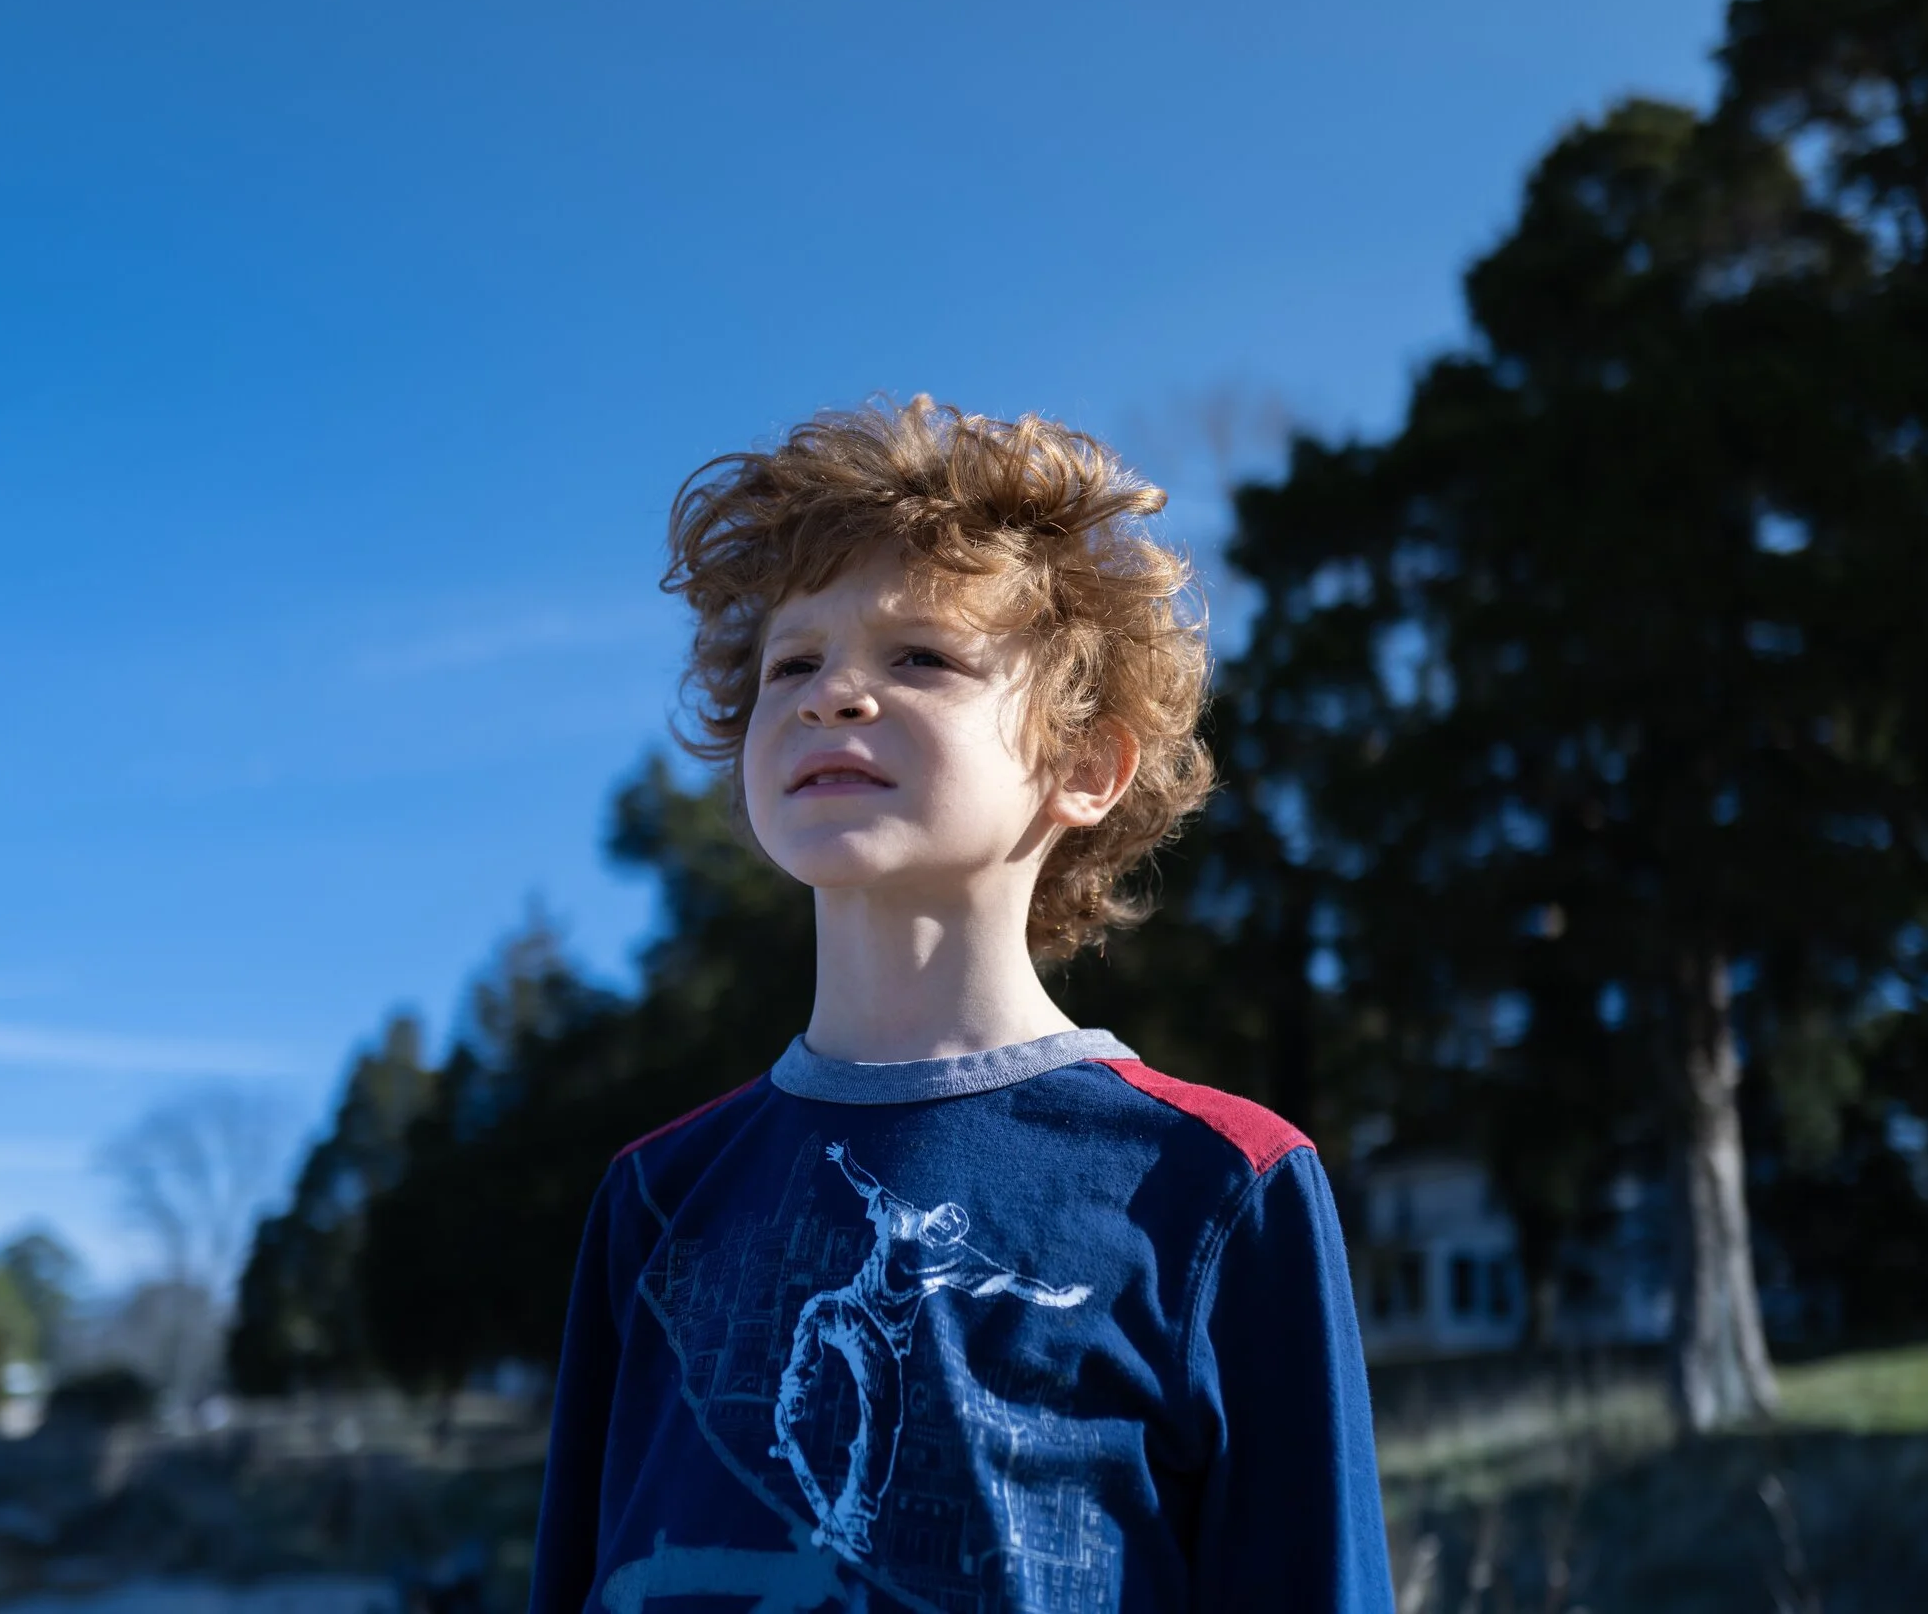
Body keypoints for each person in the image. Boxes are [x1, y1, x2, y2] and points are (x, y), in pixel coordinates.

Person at [531, 397, 1393, 1614]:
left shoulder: (1218, 1187)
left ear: (1085, 764)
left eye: (919, 658)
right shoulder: (655, 1199)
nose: (833, 693)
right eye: (792, 663)